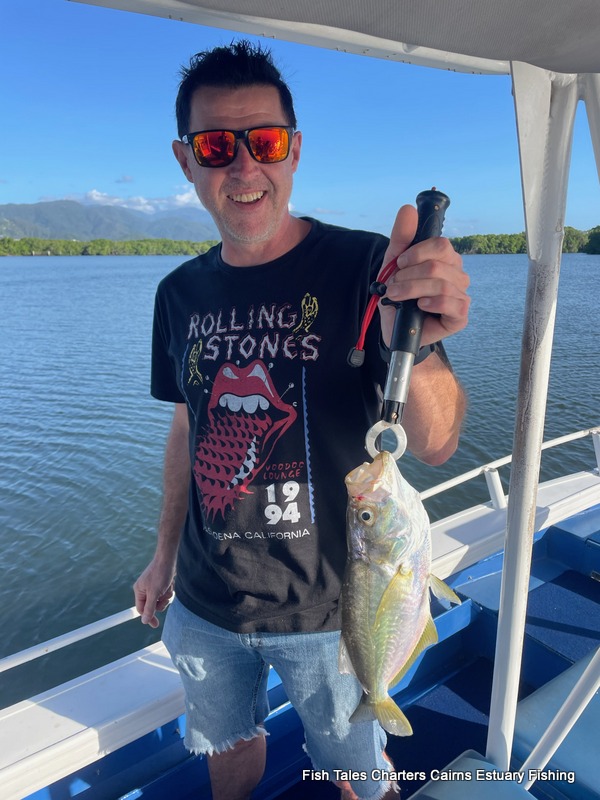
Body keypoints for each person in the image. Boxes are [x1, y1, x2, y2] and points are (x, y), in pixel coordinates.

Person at [134, 40, 470, 800]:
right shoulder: (175, 294)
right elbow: (187, 430)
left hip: (336, 609)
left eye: (267, 142)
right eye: (218, 146)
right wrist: (161, 559)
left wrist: (415, 340)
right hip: (207, 599)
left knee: (355, 773)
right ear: (187, 161)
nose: (245, 167)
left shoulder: (365, 269)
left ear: (295, 151)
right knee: (229, 752)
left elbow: (442, 441)